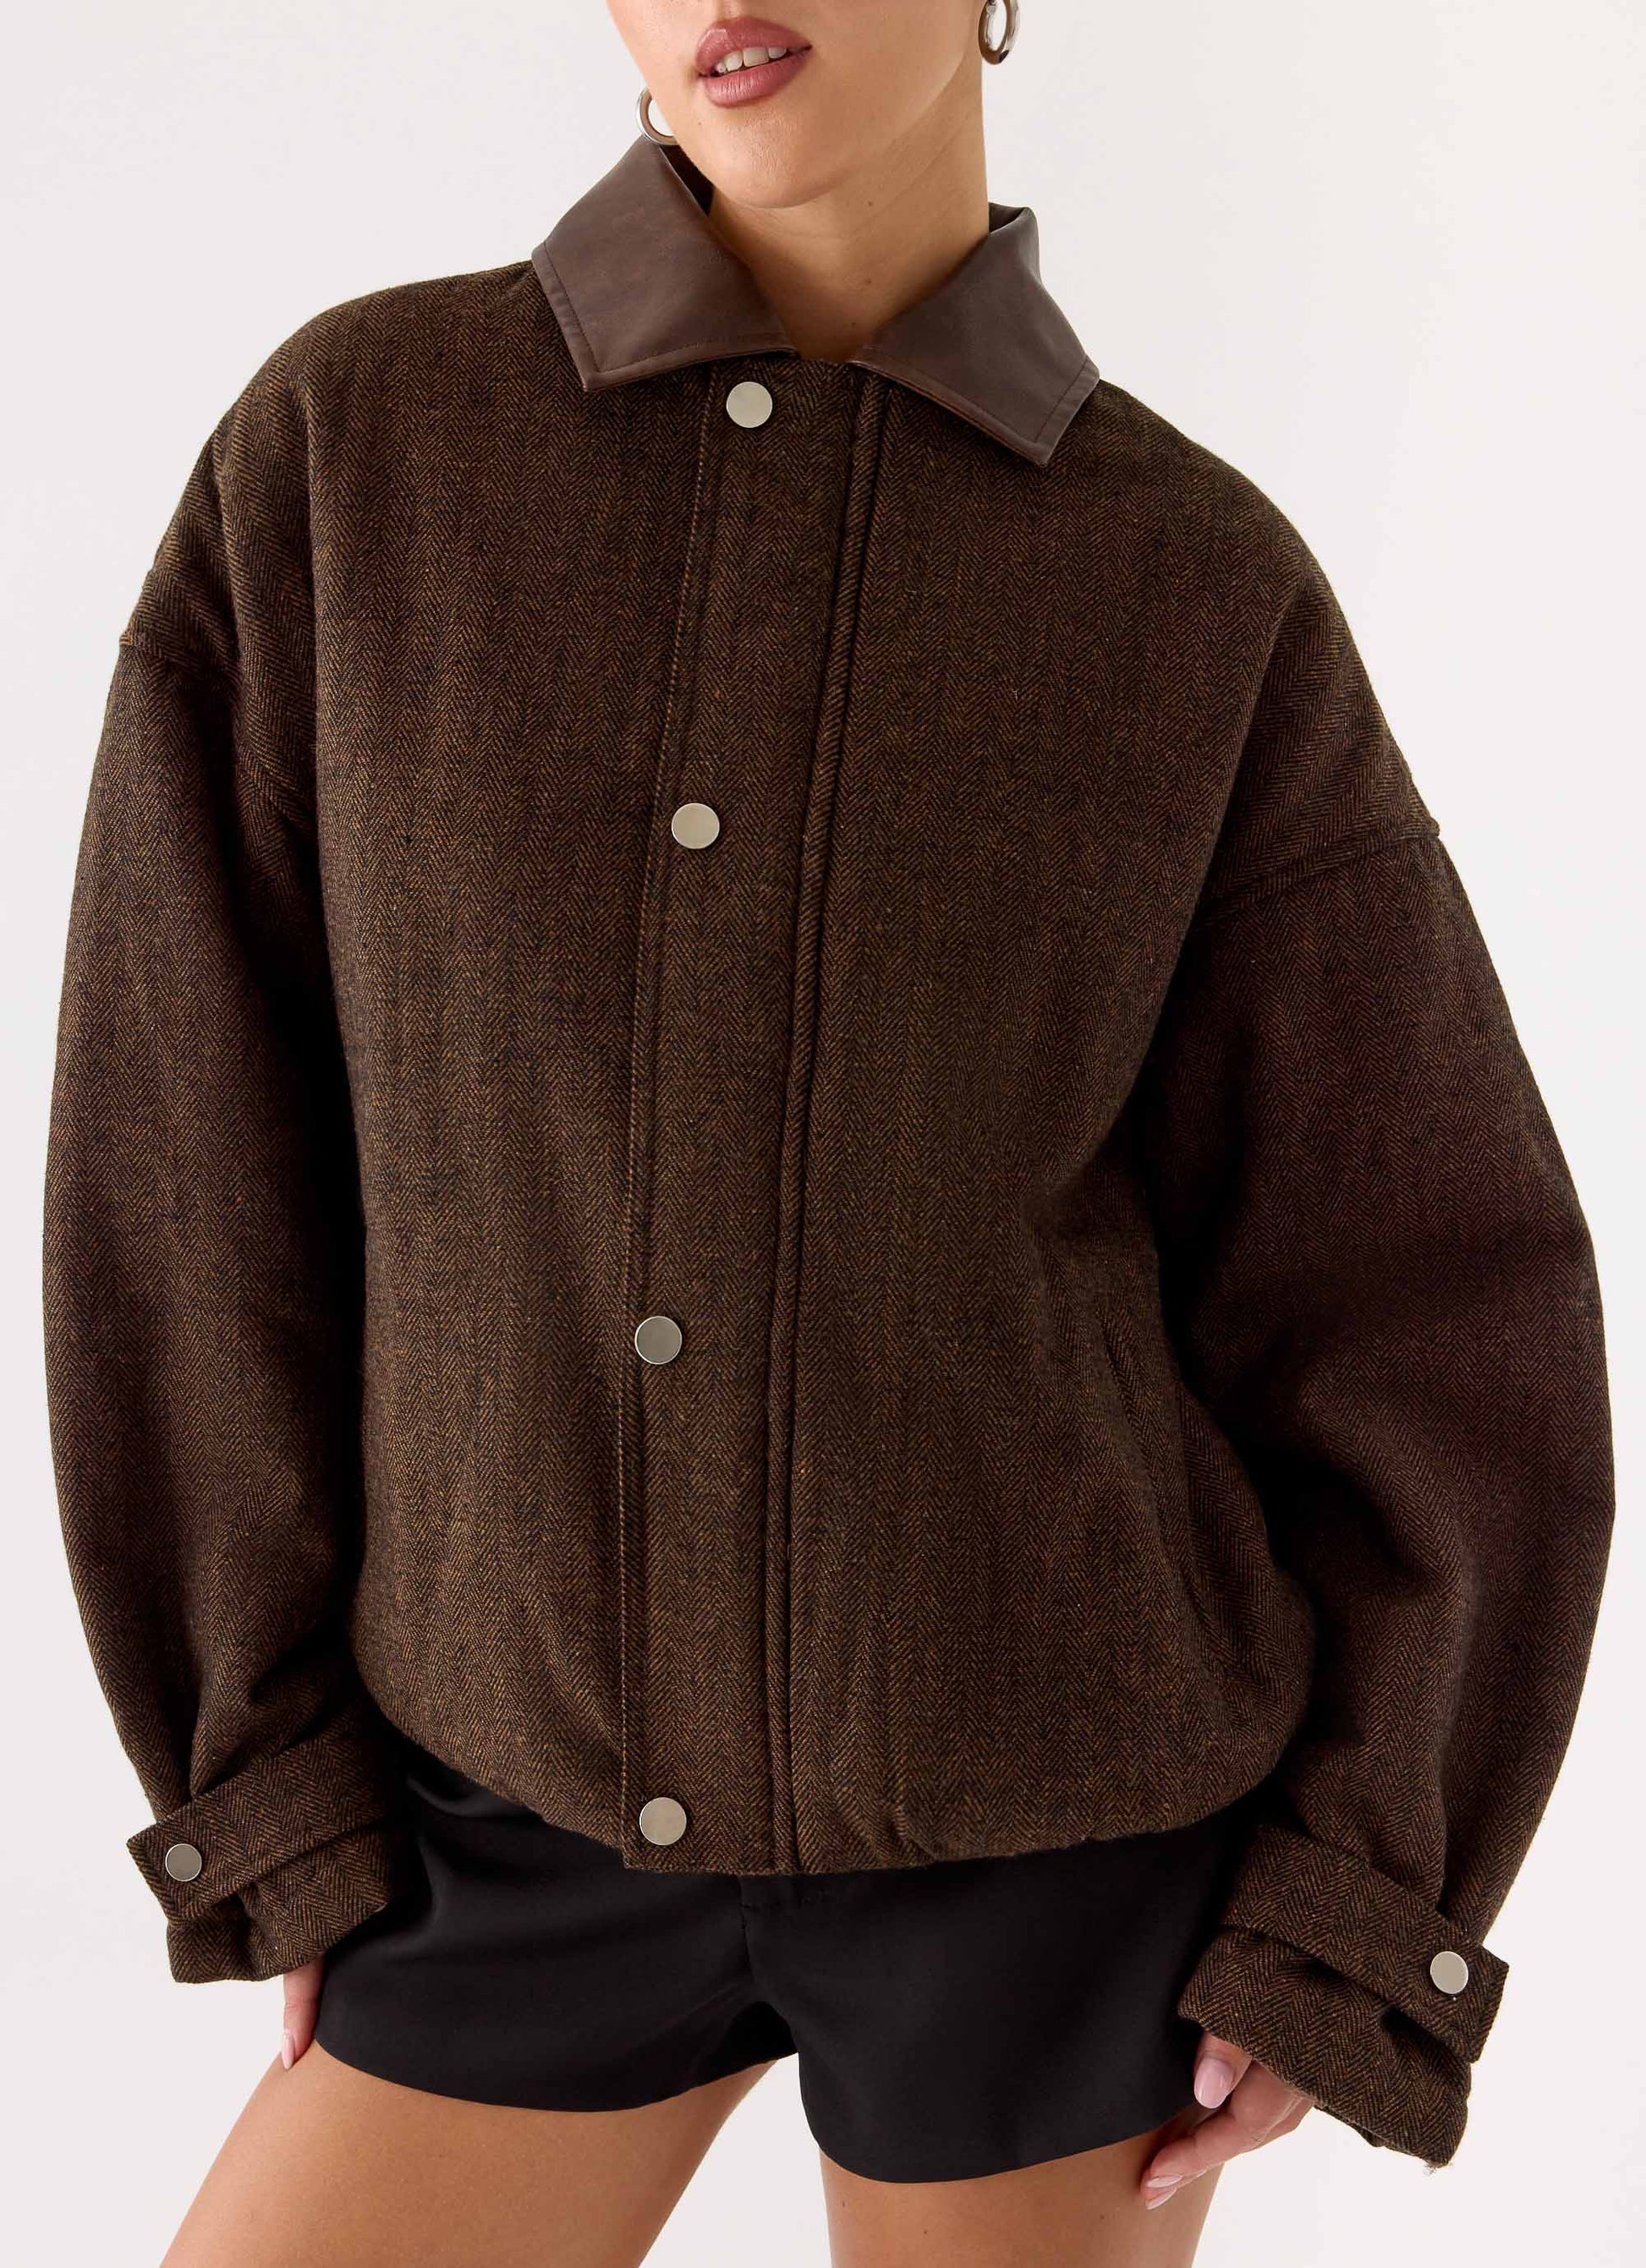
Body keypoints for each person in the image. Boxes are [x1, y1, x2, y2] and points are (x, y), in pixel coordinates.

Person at [41, 5, 1615, 2265]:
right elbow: (183, 1164)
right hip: (493, 1801)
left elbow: (1424, 1287)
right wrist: (260, 1778)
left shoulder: (1187, 579)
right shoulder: (356, 454)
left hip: (1056, 1833)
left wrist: (1356, 1906)